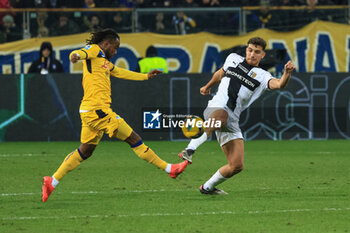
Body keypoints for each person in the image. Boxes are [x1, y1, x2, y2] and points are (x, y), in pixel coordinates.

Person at [41, 29, 188, 202]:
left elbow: (119, 72)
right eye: (115, 47)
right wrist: (74, 56)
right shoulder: (95, 50)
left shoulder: (103, 61)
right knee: (134, 139)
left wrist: (146, 76)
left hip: (89, 110)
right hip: (98, 110)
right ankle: (170, 169)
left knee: (85, 151)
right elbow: (80, 52)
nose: (116, 52)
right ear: (107, 44)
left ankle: (52, 181)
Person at [178, 37, 295, 195]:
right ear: (246, 49)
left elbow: (280, 84)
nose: (252, 54)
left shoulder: (262, 76)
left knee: (236, 165)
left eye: (257, 52)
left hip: (232, 119)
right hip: (217, 107)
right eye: (250, 50)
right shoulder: (233, 58)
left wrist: (286, 73)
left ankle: (207, 188)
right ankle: (190, 149)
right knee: (220, 117)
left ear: (263, 55)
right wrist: (207, 86)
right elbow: (220, 73)